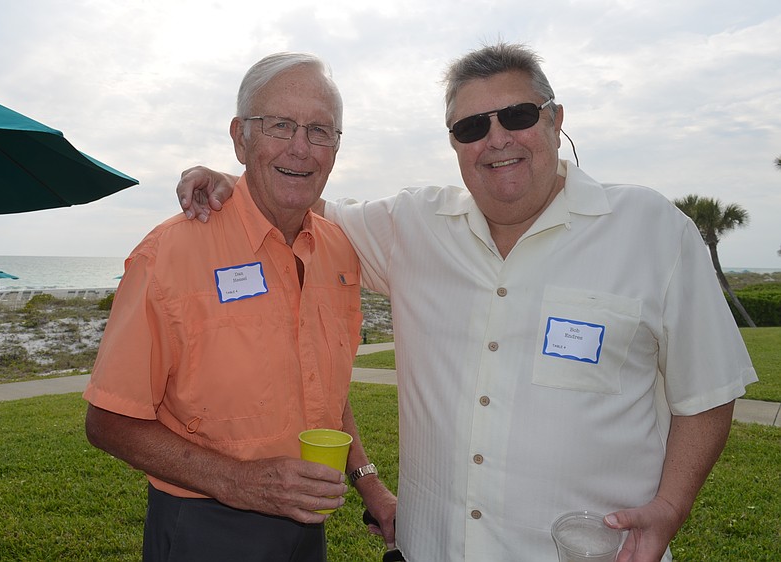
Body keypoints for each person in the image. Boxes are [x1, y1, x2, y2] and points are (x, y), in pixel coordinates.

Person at [175, 43, 757, 561]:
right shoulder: (414, 226)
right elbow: (297, 199)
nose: (497, 138)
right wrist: (231, 182)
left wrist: (672, 507)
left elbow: (707, 392)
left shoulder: (651, 230)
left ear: (555, 121)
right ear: (454, 143)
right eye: (472, 126)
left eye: (519, 116)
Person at [84, 52, 396, 562]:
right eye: (280, 125)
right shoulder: (170, 254)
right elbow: (107, 421)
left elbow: (324, 390)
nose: (302, 148)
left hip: (304, 526)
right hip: (203, 525)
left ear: (337, 148)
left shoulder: (339, 250)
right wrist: (239, 481)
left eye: (321, 130)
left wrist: (369, 484)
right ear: (239, 137)